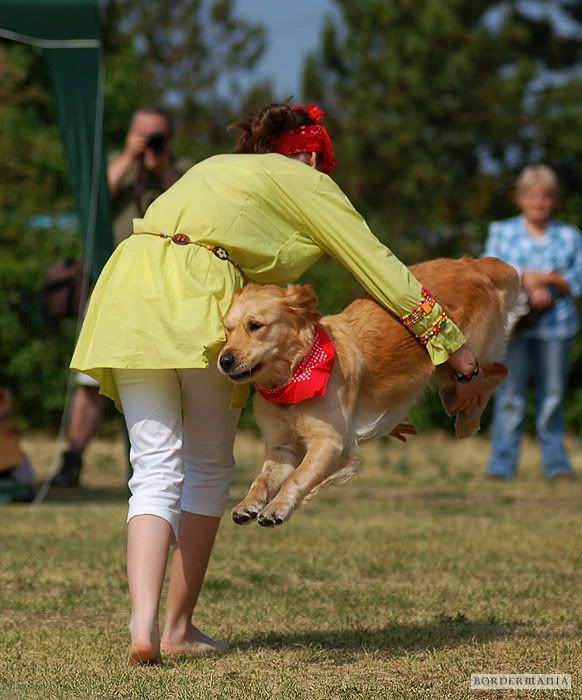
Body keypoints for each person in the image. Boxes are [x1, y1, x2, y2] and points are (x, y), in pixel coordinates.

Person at [69, 102, 485, 664]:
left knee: (153, 466)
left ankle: (142, 627)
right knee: (208, 466)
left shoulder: (218, 170)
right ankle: (177, 629)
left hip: (127, 288)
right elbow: (382, 270)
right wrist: (453, 347)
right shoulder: (307, 182)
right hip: (201, 298)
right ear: (313, 156)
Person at [55, 107, 182, 487]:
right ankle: (73, 460)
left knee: (167, 380)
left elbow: (190, 201)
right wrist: (129, 157)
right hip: (114, 285)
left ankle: (166, 464)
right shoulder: (115, 166)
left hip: (166, 289)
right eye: (141, 134)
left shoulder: (181, 171)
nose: (149, 143)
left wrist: (161, 170)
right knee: (89, 381)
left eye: (155, 136)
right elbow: (92, 198)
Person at [484, 164, 582, 480]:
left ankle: (556, 464)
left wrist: (552, 282)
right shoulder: (502, 231)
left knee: (552, 395)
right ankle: (501, 465)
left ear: (553, 200)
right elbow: (489, 272)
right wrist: (530, 280)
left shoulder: (570, 236)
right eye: (532, 195)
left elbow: (578, 278)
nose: (539, 202)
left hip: (557, 326)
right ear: (521, 198)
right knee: (509, 395)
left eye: (546, 196)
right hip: (513, 327)